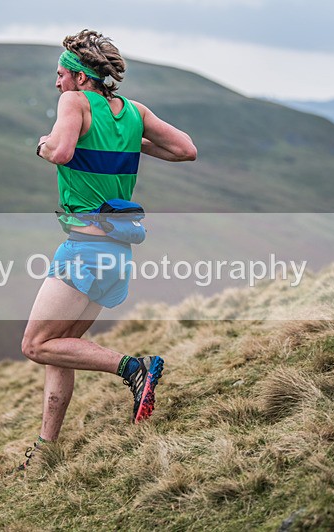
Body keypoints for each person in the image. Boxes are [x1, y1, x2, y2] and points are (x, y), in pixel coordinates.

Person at [18, 29, 197, 470]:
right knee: (62, 345)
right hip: (116, 251)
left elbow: (59, 151)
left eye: (61, 75)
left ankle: (134, 368)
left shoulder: (74, 103)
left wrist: (42, 145)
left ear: (80, 77)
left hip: (83, 246)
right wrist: (130, 143)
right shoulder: (133, 111)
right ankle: (46, 448)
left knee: (36, 345)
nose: (57, 83)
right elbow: (185, 150)